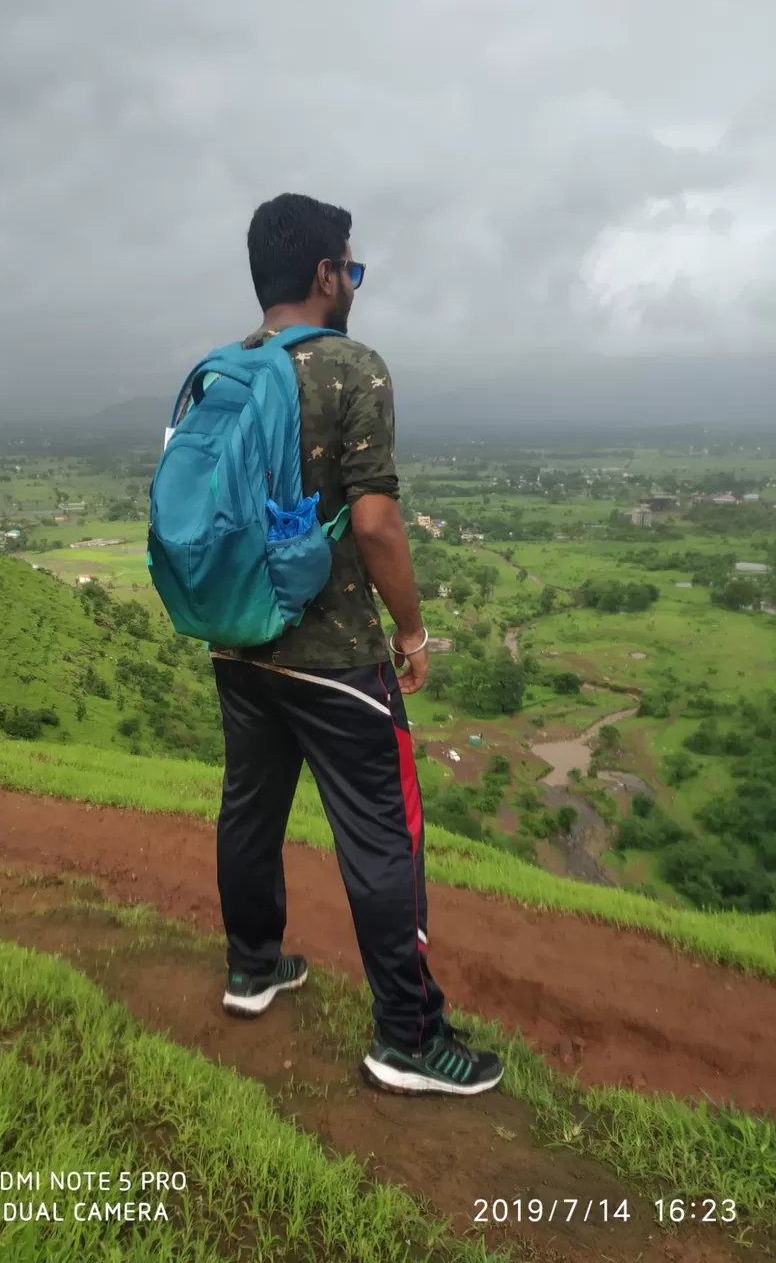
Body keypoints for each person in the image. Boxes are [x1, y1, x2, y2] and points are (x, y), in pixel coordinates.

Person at [210, 192, 503, 1096]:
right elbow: (375, 524)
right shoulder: (353, 368)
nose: (353, 282)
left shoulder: (224, 371)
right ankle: (407, 1038)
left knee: (250, 812)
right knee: (382, 839)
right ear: (326, 273)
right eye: (352, 267)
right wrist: (411, 629)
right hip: (336, 657)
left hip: (239, 641)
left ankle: (254, 967)